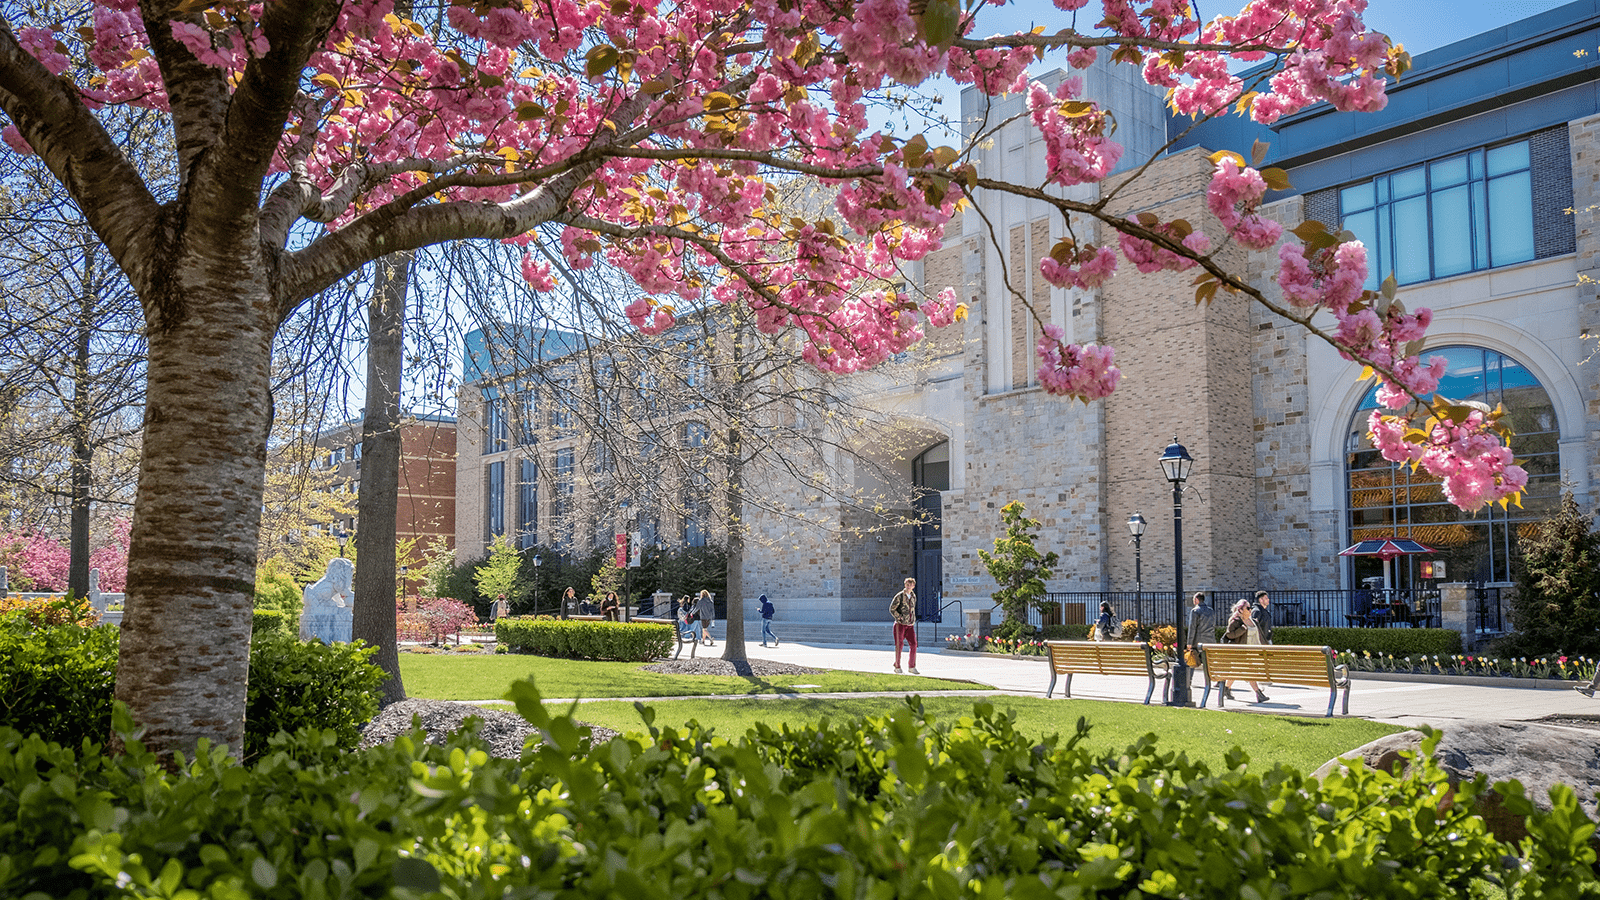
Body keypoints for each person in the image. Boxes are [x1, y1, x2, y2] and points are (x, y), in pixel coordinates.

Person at [1223, 598, 1268, 702]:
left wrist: (1265, 647)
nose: (1250, 609)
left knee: (1235, 671)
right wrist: (1242, 629)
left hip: (1254, 652)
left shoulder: (1253, 621)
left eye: (1250, 607)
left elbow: (1260, 636)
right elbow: (1229, 634)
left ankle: (1226, 689)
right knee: (1250, 672)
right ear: (1241, 610)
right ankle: (1259, 694)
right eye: (1247, 608)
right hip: (1242, 653)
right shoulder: (1236, 621)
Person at [1186, 591, 1216, 696]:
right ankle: (1212, 680)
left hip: (1198, 641)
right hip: (1210, 641)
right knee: (1208, 663)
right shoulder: (1211, 611)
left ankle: (1188, 681)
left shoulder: (1195, 611)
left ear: (1197, 600)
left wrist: (1189, 642)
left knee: (1192, 661)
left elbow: (1192, 628)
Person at [890, 577, 919, 674]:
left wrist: (913, 620)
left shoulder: (913, 596)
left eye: (911, 585)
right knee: (899, 645)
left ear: (913, 586)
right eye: (907, 584)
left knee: (914, 644)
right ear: (905, 585)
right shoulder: (900, 596)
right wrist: (900, 618)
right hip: (900, 625)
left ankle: (912, 666)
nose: (909, 586)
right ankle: (897, 666)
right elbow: (892, 609)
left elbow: (912, 610)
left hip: (910, 625)